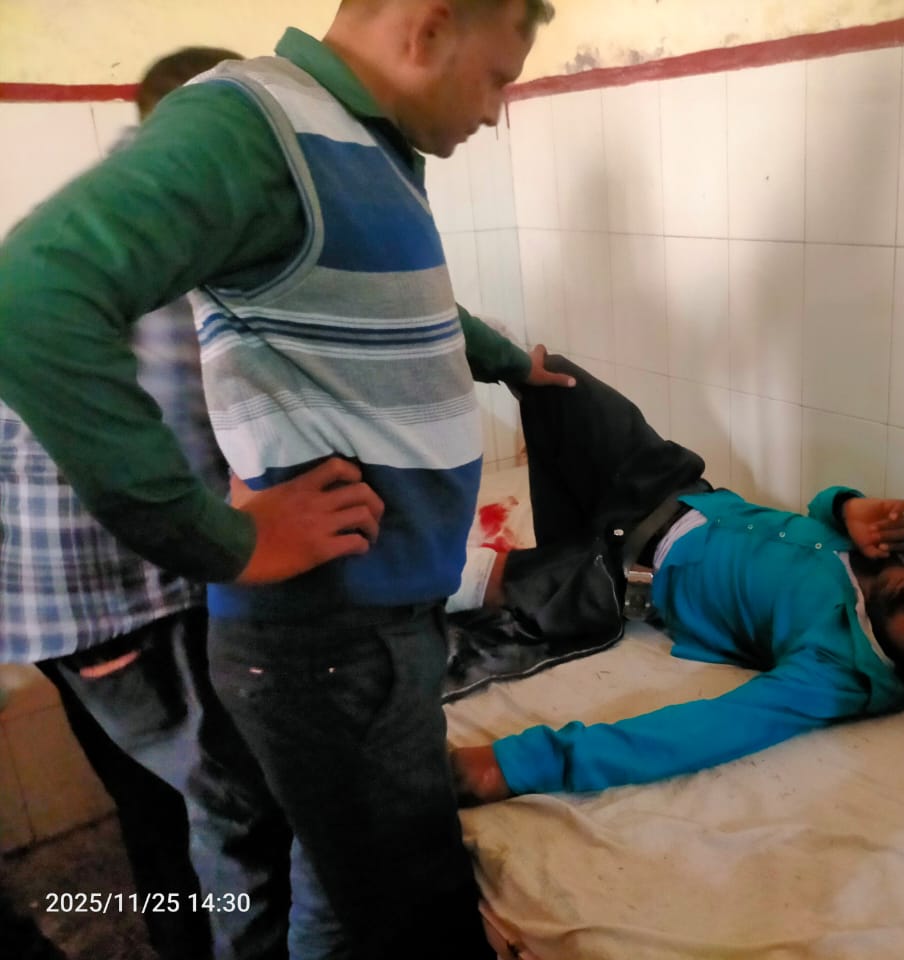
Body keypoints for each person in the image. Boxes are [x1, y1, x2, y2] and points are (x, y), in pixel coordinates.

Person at [0, 2, 567, 957]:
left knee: (341, 891)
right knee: (406, 907)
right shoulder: (256, 120)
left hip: (377, 628)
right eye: (497, 79)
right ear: (427, 29)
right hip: (329, 638)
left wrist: (511, 364)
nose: (495, 110)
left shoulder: (365, 146)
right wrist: (222, 541)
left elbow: (412, 308)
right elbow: (31, 301)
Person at [1, 46, 303, 960]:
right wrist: (264, 546)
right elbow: (191, 435)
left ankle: (179, 938)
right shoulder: (178, 222)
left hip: (57, 597)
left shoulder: (100, 208)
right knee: (230, 806)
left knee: (155, 799)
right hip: (111, 597)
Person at [450, 356, 904, 803]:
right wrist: (848, 505)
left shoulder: (836, 674)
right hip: (673, 487)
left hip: (625, 572)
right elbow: (824, 508)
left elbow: (703, 731)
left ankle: (530, 562)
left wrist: (514, 765)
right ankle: (557, 532)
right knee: (552, 378)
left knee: (471, 579)